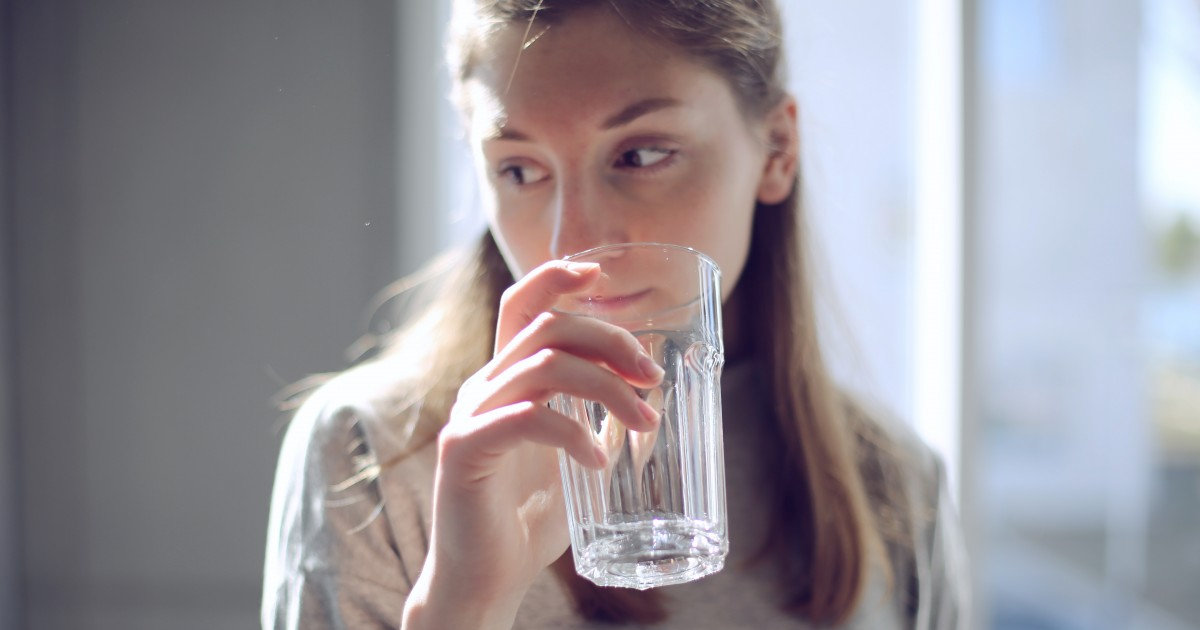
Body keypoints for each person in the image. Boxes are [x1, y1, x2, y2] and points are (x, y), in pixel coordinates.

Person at [261, 0, 970, 628]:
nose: (574, 244)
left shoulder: (895, 482)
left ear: (777, 150)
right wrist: (465, 605)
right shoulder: (371, 456)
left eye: (640, 154)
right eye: (519, 170)